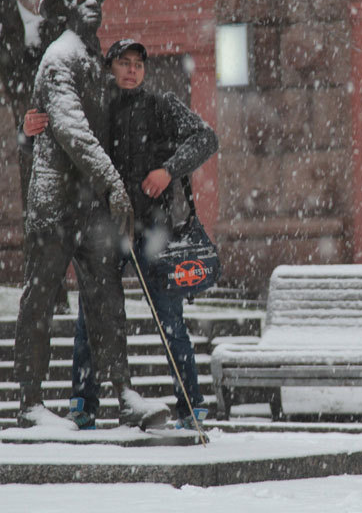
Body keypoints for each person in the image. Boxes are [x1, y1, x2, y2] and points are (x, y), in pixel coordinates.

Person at [25, 39, 219, 431]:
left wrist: (168, 169)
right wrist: (27, 130)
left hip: (153, 229)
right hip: (101, 227)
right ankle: (83, 404)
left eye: (138, 64)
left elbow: (205, 139)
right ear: (109, 67)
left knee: (170, 319)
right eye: (123, 63)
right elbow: (56, 140)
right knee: (91, 317)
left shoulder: (161, 105)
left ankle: (191, 405)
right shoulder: (93, 107)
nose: (132, 70)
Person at [15, 0, 136, 429]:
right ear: (66, 8)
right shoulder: (58, 58)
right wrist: (114, 182)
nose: (92, 2)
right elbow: (69, 128)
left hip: (90, 202)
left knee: (107, 297)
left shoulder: (94, 58)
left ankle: (123, 392)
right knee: (41, 298)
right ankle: (30, 401)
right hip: (55, 201)